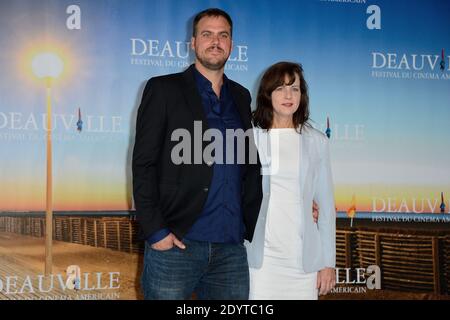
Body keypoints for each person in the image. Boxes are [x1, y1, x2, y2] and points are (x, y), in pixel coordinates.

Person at [132, 8, 263, 300]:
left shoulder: (241, 96)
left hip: (231, 249)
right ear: (192, 42)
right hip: (177, 243)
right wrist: (156, 232)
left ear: (231, 44)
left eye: (223, 35)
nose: (215, 41)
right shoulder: (163, 89)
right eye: (207, 34)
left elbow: (250, 167)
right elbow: (144, 164)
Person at [245, 62, 336, 300]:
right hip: (261, 261)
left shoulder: (317, 141)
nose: (288, 95)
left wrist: (327, 262)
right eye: (280, 88)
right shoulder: (250, 137)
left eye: (295, 88)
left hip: (302, 262)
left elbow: (326, 208)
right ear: (267, 94)